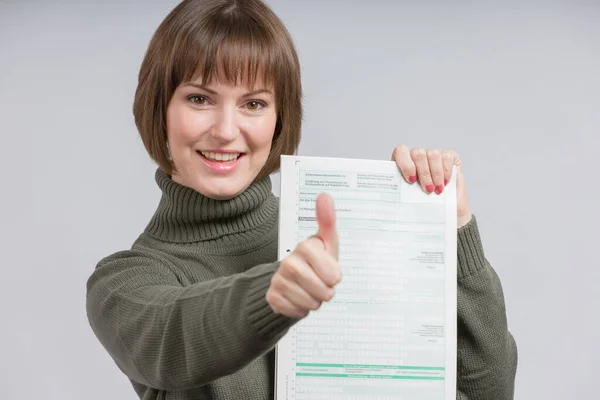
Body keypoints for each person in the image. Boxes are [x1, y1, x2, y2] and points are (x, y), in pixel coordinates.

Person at [85, 0, 518, 399]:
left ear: (278, 121)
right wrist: (272, 295)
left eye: (253, 103)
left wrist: (452, 229)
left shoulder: (346, 235)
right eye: (199, 98)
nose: (225, 130)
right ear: (158, 108)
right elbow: (173, 334)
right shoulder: (123, 284)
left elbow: (488, 393)